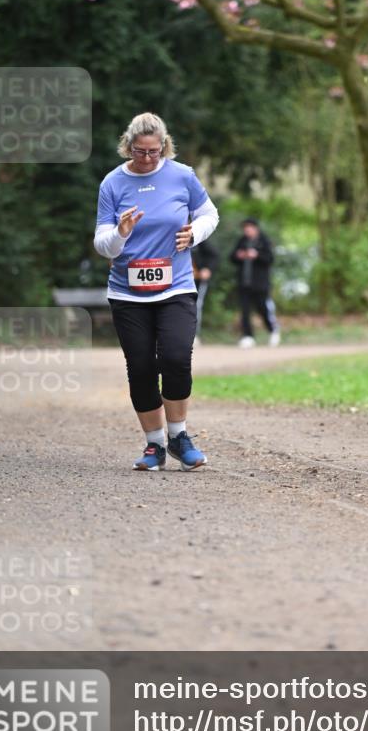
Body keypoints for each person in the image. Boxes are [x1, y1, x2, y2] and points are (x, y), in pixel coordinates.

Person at [94, 112, 219, 471]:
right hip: (128, 293)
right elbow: (103, 244)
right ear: (128, 146)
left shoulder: (182, 175)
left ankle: (179, 436)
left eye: (154, 151)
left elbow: (210, 214)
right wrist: (120, 232)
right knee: (141, 366)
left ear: (164, 146)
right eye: (140, 151)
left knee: (177, 357)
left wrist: (194, 232)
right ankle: (154, 445)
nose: (147, 159)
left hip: (176, 286)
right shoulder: (112, 183)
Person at [230, 217, 280, 348]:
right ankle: (248, 336)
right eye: (245, 228)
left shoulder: (264, 241)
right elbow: (232, 257)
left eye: (249, 228)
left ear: (255, 228)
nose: (247, 230)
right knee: (245, 311)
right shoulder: (242, 241)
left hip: (260, 284)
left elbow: (270, 259)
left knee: (263, 308)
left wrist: (257, 255)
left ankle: (273, 330)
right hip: (244, 283)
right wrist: (238, 255)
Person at [192, 237, 219, 342]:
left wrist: (207, 269)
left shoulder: (198, 238)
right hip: (177, 279)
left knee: (196, 305)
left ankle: (194, 335)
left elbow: (214, 255)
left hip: (197, 280)